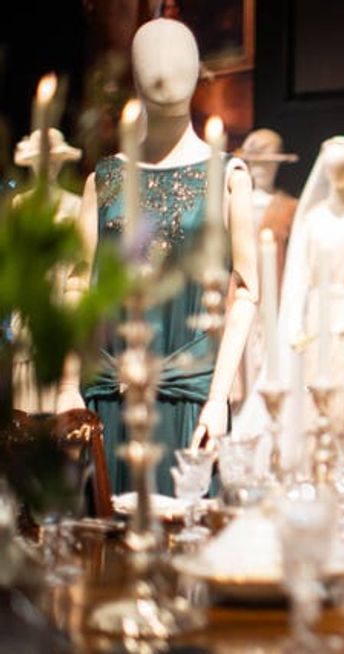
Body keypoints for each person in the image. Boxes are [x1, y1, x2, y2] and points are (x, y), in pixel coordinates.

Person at [55, 18, 258, 495]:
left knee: (183, 529)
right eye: (151, 57)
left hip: (190, 399)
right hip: (107, 394)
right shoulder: (104, 180)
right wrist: (66, 385)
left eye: (178, 56)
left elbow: (247, 291)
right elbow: (77, 286)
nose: (165, 68)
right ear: (134, 73)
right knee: (104, 532)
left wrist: (218, 398)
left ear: (198, 70)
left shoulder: (229, 177)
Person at [234, 136, 344, 474]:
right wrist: (293, 327)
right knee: (311, 403)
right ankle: (311, 473)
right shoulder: (312, 218)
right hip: (315, 323)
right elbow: (298, 277)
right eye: (333, 167)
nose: (338, 174)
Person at [11, 128, 83, 413]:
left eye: (53, 161)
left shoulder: (75, 205)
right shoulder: (20, 204)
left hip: (64, 294)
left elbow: (80, 259)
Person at [230, 128, 298, 411]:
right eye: (255, 162)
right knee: (239, 361)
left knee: (269, 364)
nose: (261, 168)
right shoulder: (234, 205)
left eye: (268, 162)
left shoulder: (290, 208)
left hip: (275, 301)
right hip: (238, 297)